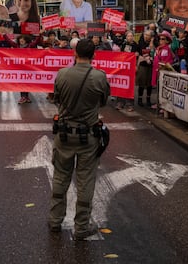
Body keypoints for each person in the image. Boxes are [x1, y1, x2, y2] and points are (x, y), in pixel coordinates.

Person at [48, 38, 110, 240]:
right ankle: (81, 227)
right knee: (85, 181)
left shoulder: (63, 74)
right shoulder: (99, 77)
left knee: (60, 177)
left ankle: (55, 221)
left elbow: (56, 98)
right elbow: (103, 102)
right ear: (94, 55)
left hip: (64, 135)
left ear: (74, 53)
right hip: (88, 137)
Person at [116, 30, 140, 111]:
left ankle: (130, 104)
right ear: (126, 37)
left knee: (130, 86)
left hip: (131, 69)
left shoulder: (136, 45)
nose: (130, 37)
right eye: (128, 36)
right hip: (123, 68)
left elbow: (139, 56)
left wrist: (137, 58)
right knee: (121, 85)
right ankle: (120, 103)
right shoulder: (123, 45)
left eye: (131, 36)